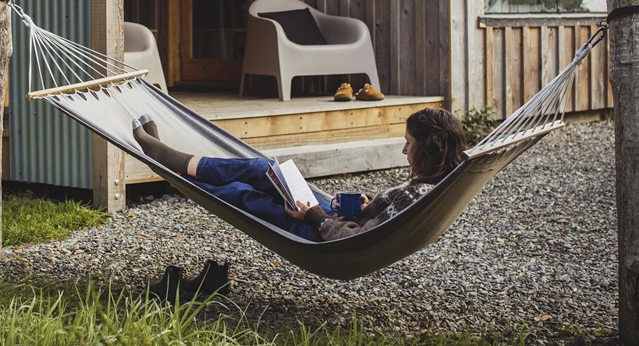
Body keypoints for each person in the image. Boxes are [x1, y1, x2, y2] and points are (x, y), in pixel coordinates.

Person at [132, 107, 467, 243]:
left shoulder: (415, 195)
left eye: (408, 144)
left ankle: (171, 166)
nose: (404, 152)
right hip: (331, 219)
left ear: (428, 148)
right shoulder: (433, 183)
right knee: (263, 170)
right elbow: (371, 223)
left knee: (241, 194)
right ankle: (175, 162)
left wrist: (314, 214)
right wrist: (361, 206)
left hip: (320, 236)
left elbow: (353, 240)